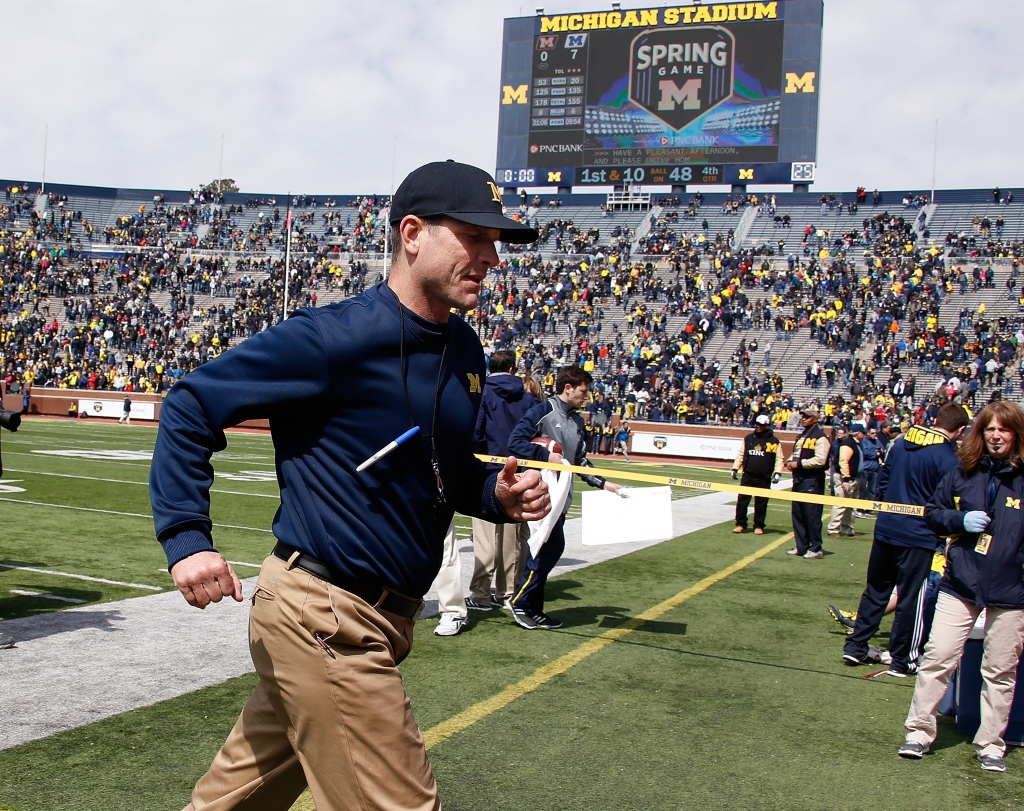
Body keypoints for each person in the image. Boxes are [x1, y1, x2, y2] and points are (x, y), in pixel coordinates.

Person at [148, 160, 550, 811]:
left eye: (496, 241)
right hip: (324, 615)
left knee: (232, 803)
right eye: (474, 236)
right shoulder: (332, 338)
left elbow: (443, 472)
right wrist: (187, 536)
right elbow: (193, 404)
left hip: (378, 619)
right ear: (412, 233)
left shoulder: (467, 350)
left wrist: (494, 496)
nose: (491, 256)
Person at [900, 401, 1024, 773]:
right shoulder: (962, 472)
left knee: (1000, 670)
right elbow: (933, 513)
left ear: (1016, 433)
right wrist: (959, 519)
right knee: (937, 657)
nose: (996, 436)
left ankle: (990, 743)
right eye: (990, 429)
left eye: (1003, 429)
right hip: (962, 581)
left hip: (1013, 590)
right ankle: (919, 732)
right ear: (980, 433)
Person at [842, 404, 969, 675]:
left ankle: (855, 646)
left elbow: (884, 482)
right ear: (960, 431)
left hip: (887, 527)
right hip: (919, 536)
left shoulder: (900, 444)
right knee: (912, 599)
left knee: (876, 590)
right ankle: (903, 660)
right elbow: (950, 501)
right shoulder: (948, 458)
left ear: (935, 420)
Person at [508, 366, 623, 630]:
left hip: (562, 496)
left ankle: (533, 607)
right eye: (583, 391)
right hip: (541, 491)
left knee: (551, 548)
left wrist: (603, 483)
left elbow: (579, 460)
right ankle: (520, 601)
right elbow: (515, 443)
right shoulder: (542, 411)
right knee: (545, 549)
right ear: (568, 388)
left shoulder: (578, 421)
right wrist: (546, 457)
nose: (587, 397)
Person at [463, 350, 540, 621]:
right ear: (512, 370)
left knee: (485, 538)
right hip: (518, 472)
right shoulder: (529, 398)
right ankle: (507, 592)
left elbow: (476, 432)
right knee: (512, 539)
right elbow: (534, 436)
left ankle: (481, 593)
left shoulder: (482, 393)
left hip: (487, 472)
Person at [785, 405, 831, 559]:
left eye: (807, 416)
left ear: (815, 419)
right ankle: (801, 546)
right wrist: (791, 461)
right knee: (797, 514)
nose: (803, 418)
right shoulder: (801, 436)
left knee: (811, 515)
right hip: (799, 479)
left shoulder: (821, 437)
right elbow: (796, 454)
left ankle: (816, 547)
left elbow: (820, 460)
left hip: (812, 480)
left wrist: (799, 464)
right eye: (803, 416)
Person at [731, 413, 783, 535]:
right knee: (742, 501)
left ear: (767, 426)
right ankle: (741, 524)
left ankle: (759, 525)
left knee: (761, 503)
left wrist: (777, 472)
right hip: (748, 475)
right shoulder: (748, 438)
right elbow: (741, 454)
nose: (758, 427)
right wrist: (735, 468)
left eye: (761, 425)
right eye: (757, 424)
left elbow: (779, 458)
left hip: (764, 477)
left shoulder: (774, 441)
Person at [827, 423, 863, 537]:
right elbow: (843, 461)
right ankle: (833, 529)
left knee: (851, 505)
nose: (865, 435)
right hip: (846, 478)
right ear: (858, 433)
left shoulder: (856, 444)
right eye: (864, 433)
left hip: (855, 477)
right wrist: (846, 479)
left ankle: (848, 529)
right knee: (841, 503)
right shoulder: (848, 444)